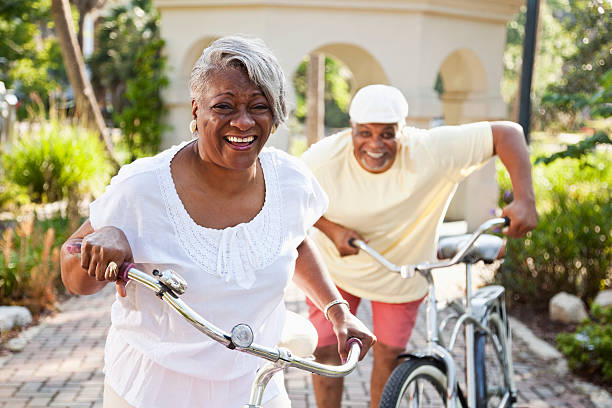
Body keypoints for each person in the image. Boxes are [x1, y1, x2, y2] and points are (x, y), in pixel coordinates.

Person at [60, 36, 375, 408]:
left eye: (259, 106)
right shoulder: (142, 188)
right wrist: (107, 238)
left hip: (255, 385)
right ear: (196, 111)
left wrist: (337, 311)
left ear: (274, 117)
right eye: (224, 106)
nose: (242, 122)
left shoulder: (291, 181)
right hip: (152, 389)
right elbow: (73, 275)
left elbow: (293, 243)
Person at [301, 84, 538, 408]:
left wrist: (525, 199)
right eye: (364, 133)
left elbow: (507, 133)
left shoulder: (431, 150)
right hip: (337, 267)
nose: (375, 144)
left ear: (403, 130)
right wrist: (330, 229)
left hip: (402, 271)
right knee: (327, 349)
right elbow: (289, 199)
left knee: (389, 355)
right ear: (350, 130)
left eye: (387, 134)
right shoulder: (323, 158)